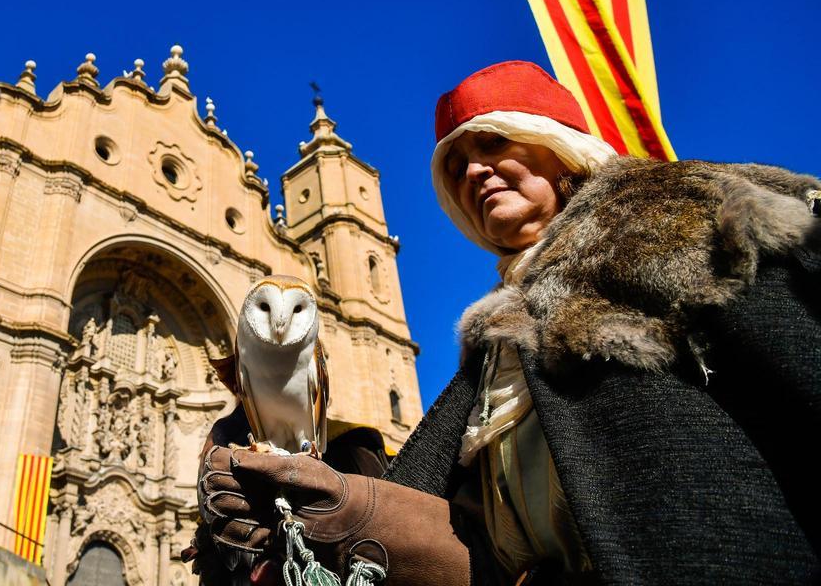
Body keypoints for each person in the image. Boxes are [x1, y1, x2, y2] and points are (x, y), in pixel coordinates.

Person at [196, 61, 821, 584]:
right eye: (455, 164)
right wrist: (333, 502)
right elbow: (462, 532)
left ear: (558, 151)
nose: (473, 171)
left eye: (493, 143)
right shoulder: (495, 348)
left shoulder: (682, 227)